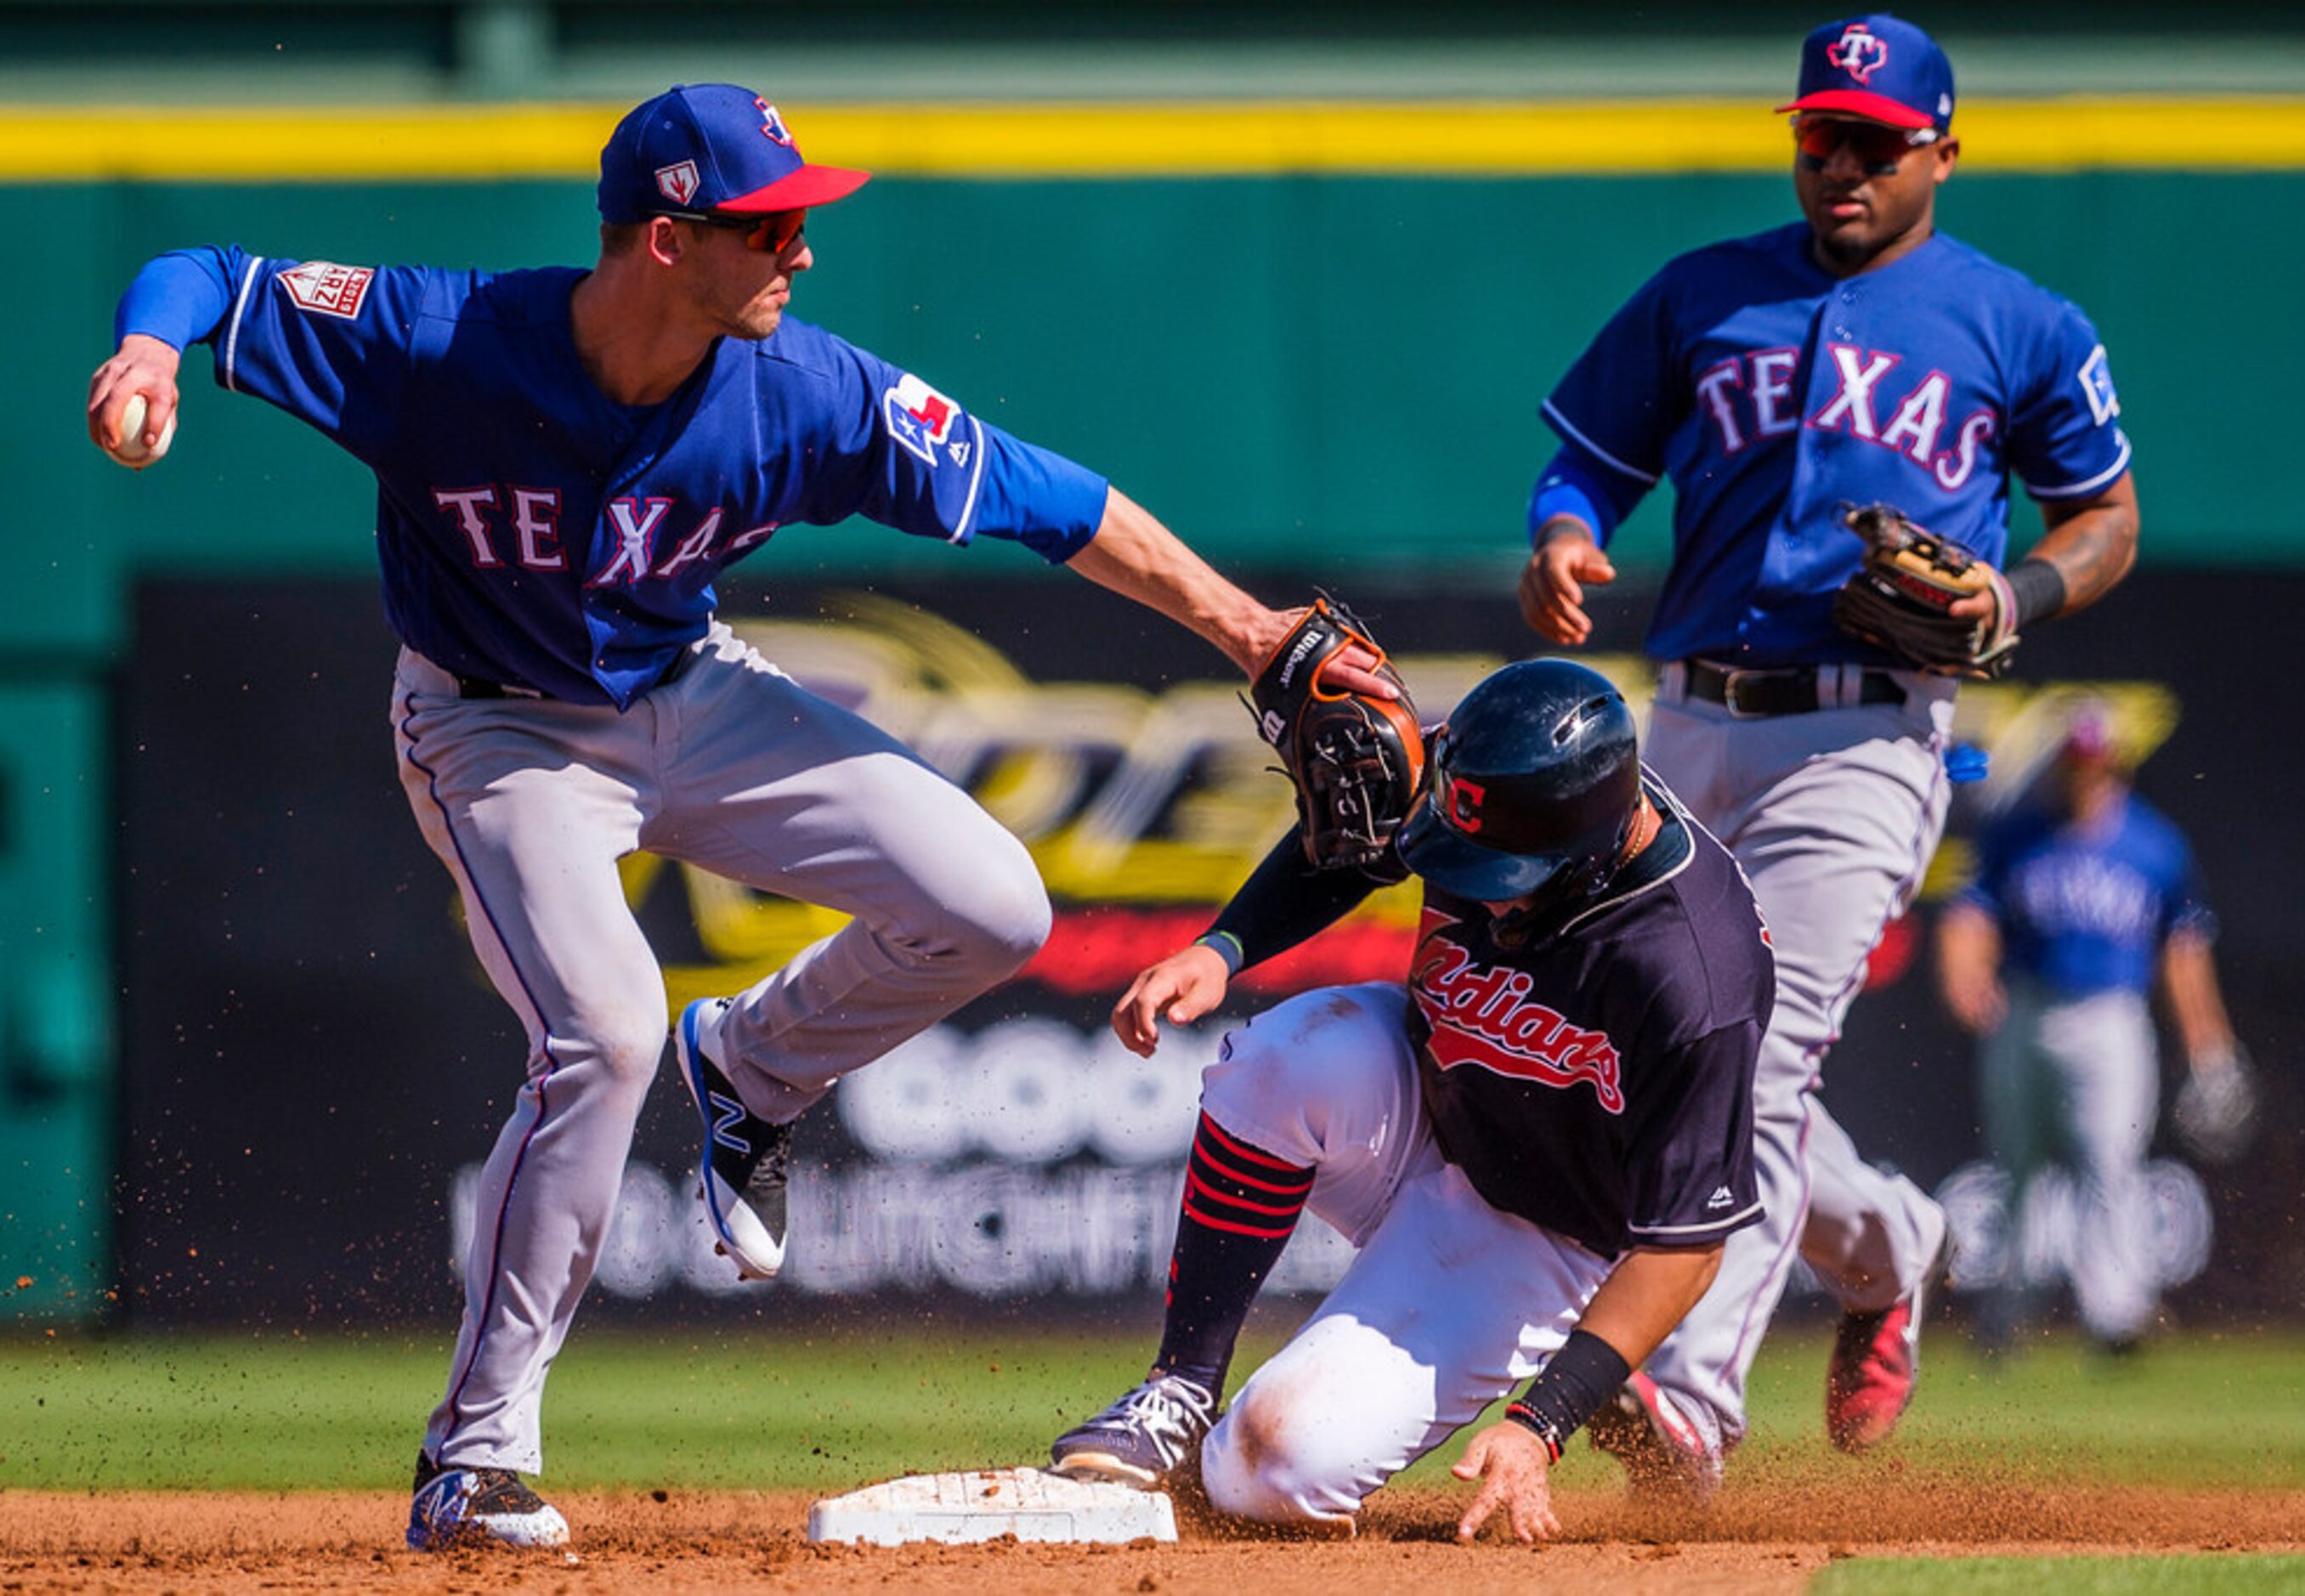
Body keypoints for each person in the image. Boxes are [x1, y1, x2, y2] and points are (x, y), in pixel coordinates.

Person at [85, 82, 1390, 1554]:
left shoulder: (804, 389)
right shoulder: (444, 339)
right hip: (494, 721)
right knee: (603, 1028)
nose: (803, 252)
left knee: (995, 900)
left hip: (688, 689)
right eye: (771, 224)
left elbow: (1045, 494)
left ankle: (755, 1067)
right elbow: (204, 277)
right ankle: (477, 1454)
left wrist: (1239, 624)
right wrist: (149, 349)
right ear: (663, 238)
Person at [1514, 14, 2141, 1491]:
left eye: (1873, 138)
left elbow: (2104, 517)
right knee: (1660, 1060)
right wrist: (1561, 537)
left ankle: (1691, 1403)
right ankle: (1890, 1243)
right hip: (1684, 719)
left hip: (1870, 726)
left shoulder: (2018, 322)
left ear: (1943, 147)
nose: (1841, 162)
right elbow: (1590, 457)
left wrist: (2012, 590)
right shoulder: (1703, 294)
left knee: (1759, 1053)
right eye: (1818, 136)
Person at [1047, 658, 1772, 1541]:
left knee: (1266, 1468)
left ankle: (1592, 1368)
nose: (1475, 888)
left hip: (1543, 1227)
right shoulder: (1499, 787)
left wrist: (1537, 1424)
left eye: (1500, 875)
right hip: (1426, 1103)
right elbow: (1347, 851)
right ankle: (1179, 1385)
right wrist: (1224, 946)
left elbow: (1684, 1248)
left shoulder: (1690, 970)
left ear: (1587, 858)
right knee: (1282, 1060)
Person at [1937, 699, 2251, 1355]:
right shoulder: (2017, 833)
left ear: (2116, 764)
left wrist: (2208, 1043)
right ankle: (2007, 1316)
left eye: (2095, 761)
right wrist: (1966, 974)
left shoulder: (2154, 844)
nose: (2084, 773)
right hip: (2026, 1010)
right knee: (2018, 1167)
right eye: (2074, 761)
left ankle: (2116, 1316)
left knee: (2109, 1159)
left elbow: (2183, 950)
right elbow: (1970, 914)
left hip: (2111, 1017)